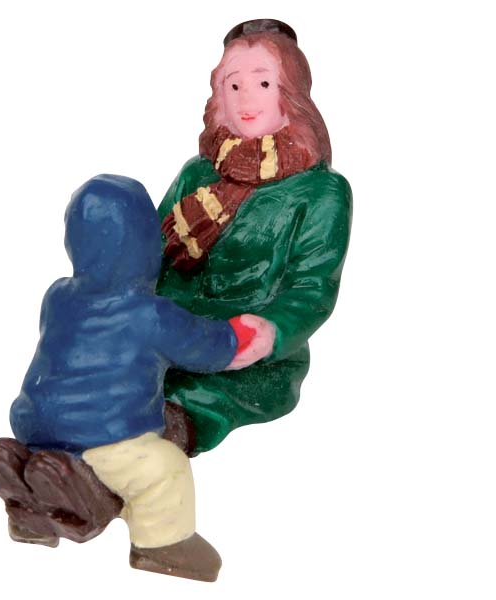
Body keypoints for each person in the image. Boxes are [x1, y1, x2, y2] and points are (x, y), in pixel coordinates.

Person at [8, 174, 274, 581]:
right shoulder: (150, 313)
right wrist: (238, 338)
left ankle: (33, 496)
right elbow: (204, 347)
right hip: (106, 435)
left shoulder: (57, 296)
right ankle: (161, 544)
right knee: (164, 468)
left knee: (73, 459)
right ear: (148, 245)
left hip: (33, 424)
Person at [157, 19, 353, 453]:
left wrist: (269, 331)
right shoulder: (197, 175)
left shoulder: (321, 191)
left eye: (263, 83)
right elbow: (153, 256)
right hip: (169, 336)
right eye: (234, 85)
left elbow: (312, 288)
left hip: (248, 357)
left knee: (177, 406)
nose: (246, 99)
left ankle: (105, 474)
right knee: (108, 376)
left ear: (290, 94)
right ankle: (44, 458)